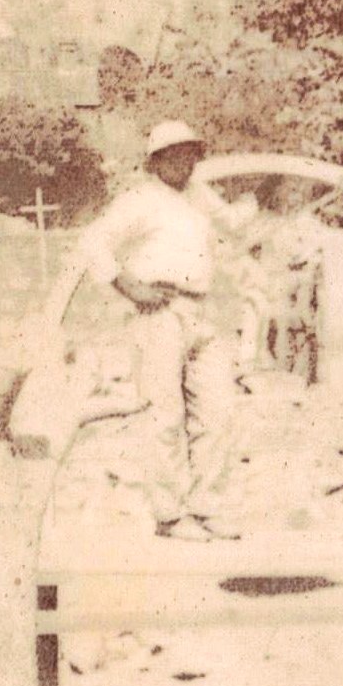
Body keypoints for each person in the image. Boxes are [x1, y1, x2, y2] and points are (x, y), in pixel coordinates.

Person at [75, 120, 241, 541]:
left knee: (217, 412)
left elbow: (237, 221)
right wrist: (130, 287)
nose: (183, 161)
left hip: (201, 309)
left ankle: (207, 506)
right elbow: (94, 241)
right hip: (159, 311)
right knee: (164, 415)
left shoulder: (200, 196)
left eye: (189, 153)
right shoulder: (140, 200)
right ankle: (170, 515)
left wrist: (273, 198)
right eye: (173, 154)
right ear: (156, 161)